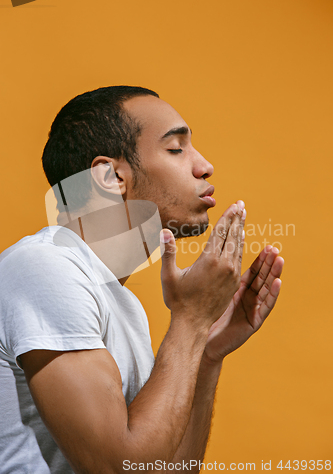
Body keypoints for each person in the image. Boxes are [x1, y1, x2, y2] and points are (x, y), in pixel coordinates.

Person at [0, 86, 284, 473]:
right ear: (111, 176)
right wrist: (190, 321)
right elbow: (117, 467)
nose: (204, 166)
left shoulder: (122, 304)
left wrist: (204, 352)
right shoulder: (44, 265)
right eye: (176, 149)